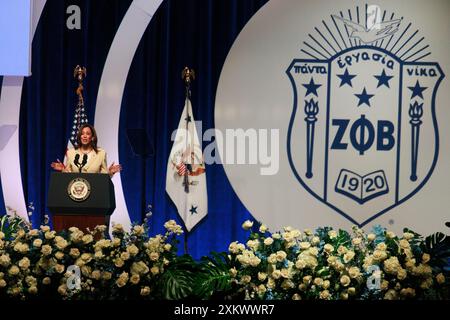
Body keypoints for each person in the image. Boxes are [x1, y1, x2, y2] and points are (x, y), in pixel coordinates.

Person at [51, 124, 122, 176]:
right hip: (76, 191)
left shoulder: (101, 153)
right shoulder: (71, 153)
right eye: (82, 134)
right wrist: (63, 169)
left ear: (92, 137)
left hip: (94, 191)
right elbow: (68, 176)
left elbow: (103, 179)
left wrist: (110, 172)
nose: (84, 136)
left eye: (88, 134)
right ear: (80, 137)